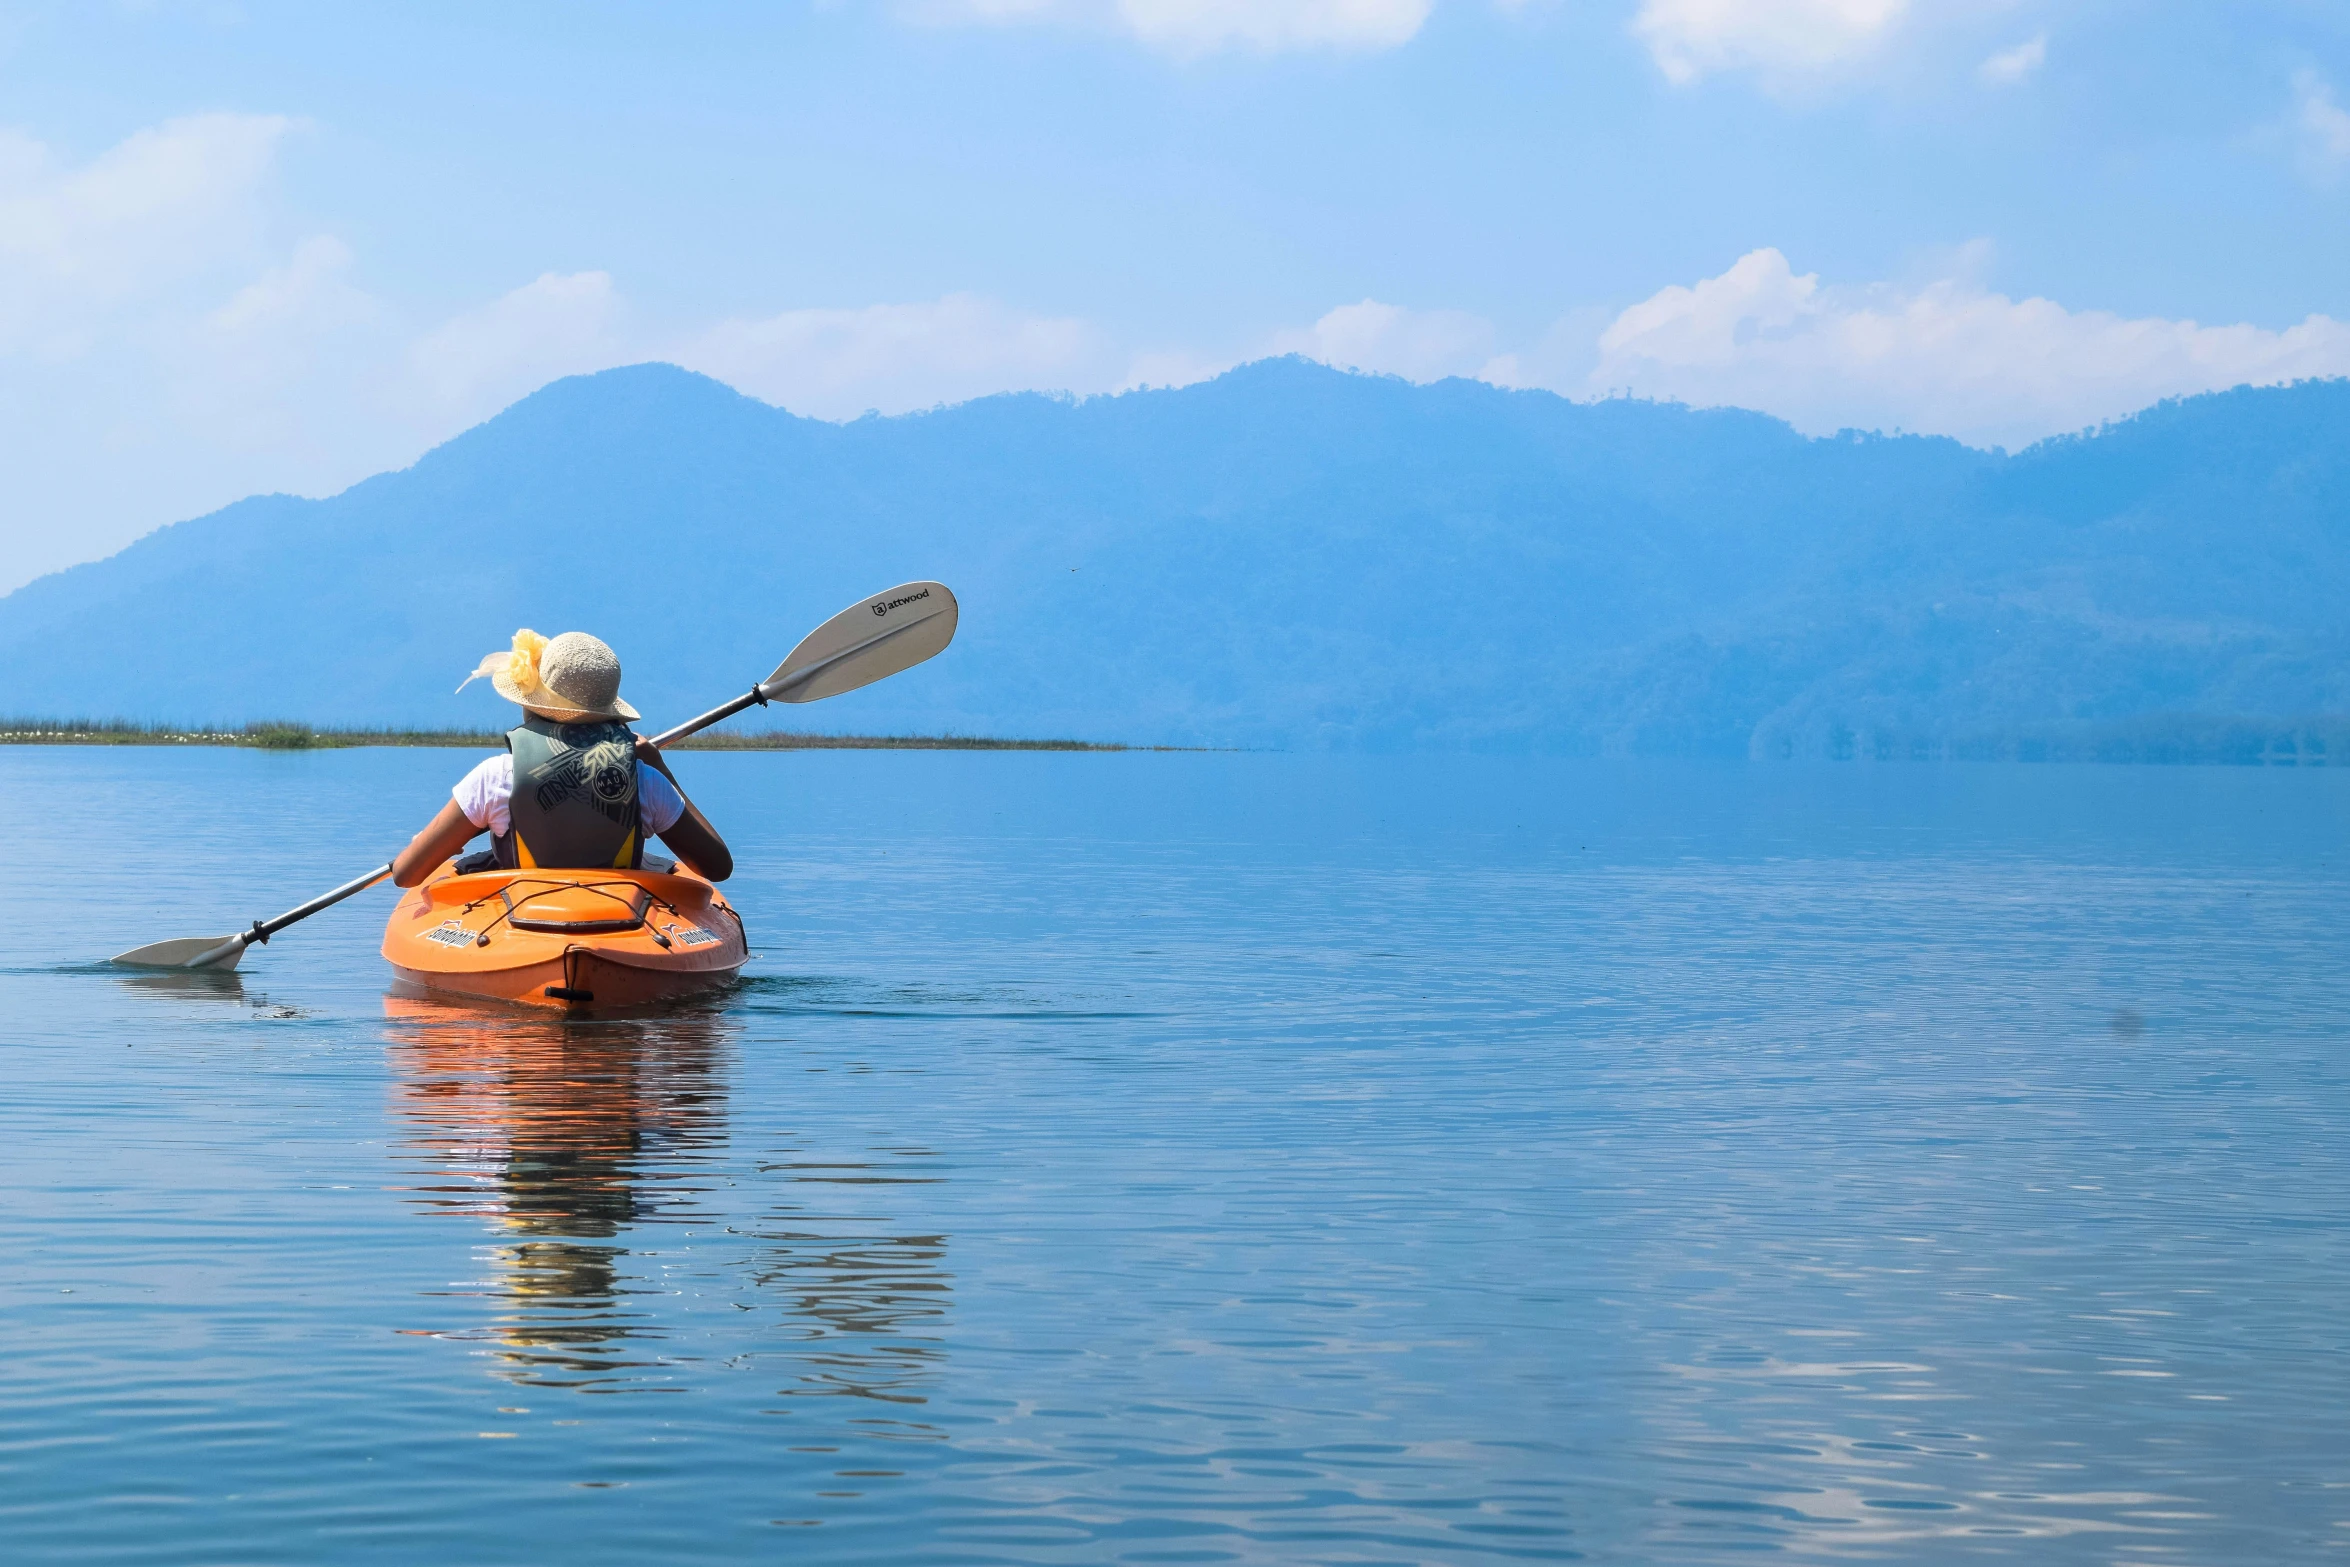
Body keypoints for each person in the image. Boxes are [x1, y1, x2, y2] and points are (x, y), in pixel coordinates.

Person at [390, 629, 732, 888]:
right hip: (620, 918)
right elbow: (717, 867)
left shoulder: (494, 777)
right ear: (608, 713)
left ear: (531, 704)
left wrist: (449, 839)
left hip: (520, 920)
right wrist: (658, 767)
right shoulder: (644, 779)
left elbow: (407, 874)